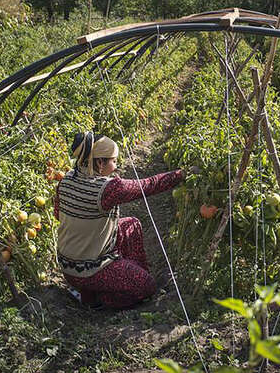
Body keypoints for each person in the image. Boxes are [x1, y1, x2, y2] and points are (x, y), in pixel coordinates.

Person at [55, 131, 185, 309]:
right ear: (100, 163)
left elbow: (58, 215)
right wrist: (181, 175)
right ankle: (95, 299)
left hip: (67, 265)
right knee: (147, 286)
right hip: (90, 271)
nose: (116, 166)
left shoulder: (67, 179)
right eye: (113, 161)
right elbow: (148, 185)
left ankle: (121, 276)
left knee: (131, 224)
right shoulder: (108, 189)